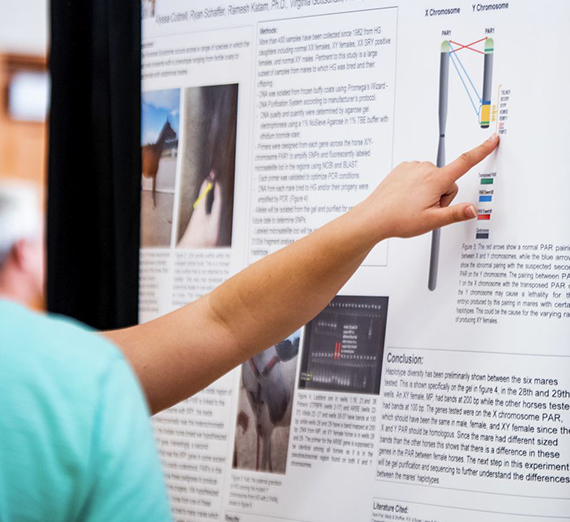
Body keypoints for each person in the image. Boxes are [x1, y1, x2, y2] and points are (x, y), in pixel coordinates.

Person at [0, 134, 499, 520]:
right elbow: (223, 322)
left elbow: (226, 323)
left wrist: (371, 220)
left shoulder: (57, 376)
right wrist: (370, 218)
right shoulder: (65, 382)